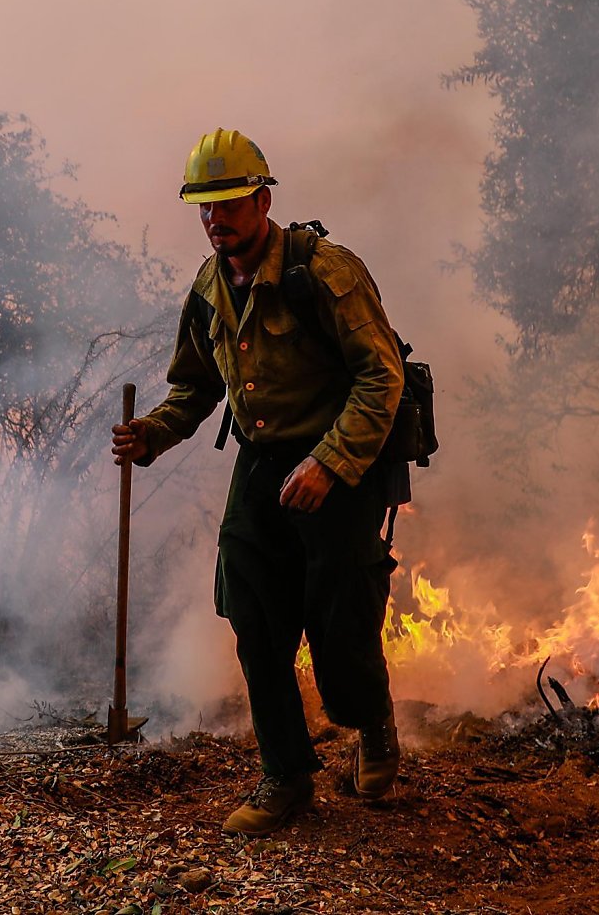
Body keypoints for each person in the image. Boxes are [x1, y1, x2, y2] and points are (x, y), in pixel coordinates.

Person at [111, 128, 404, 836]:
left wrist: (329, 464)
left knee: (340, 624)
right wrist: (153, 432)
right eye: (204, 207)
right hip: (263, 466)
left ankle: (371, 725)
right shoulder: (210, 288)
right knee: (255, 623)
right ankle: (287, 775)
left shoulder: (325, 271)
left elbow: (381, 376)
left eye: (230, 203)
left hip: (342, 468)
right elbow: (194, 389)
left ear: (263, 198)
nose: (216, 219)